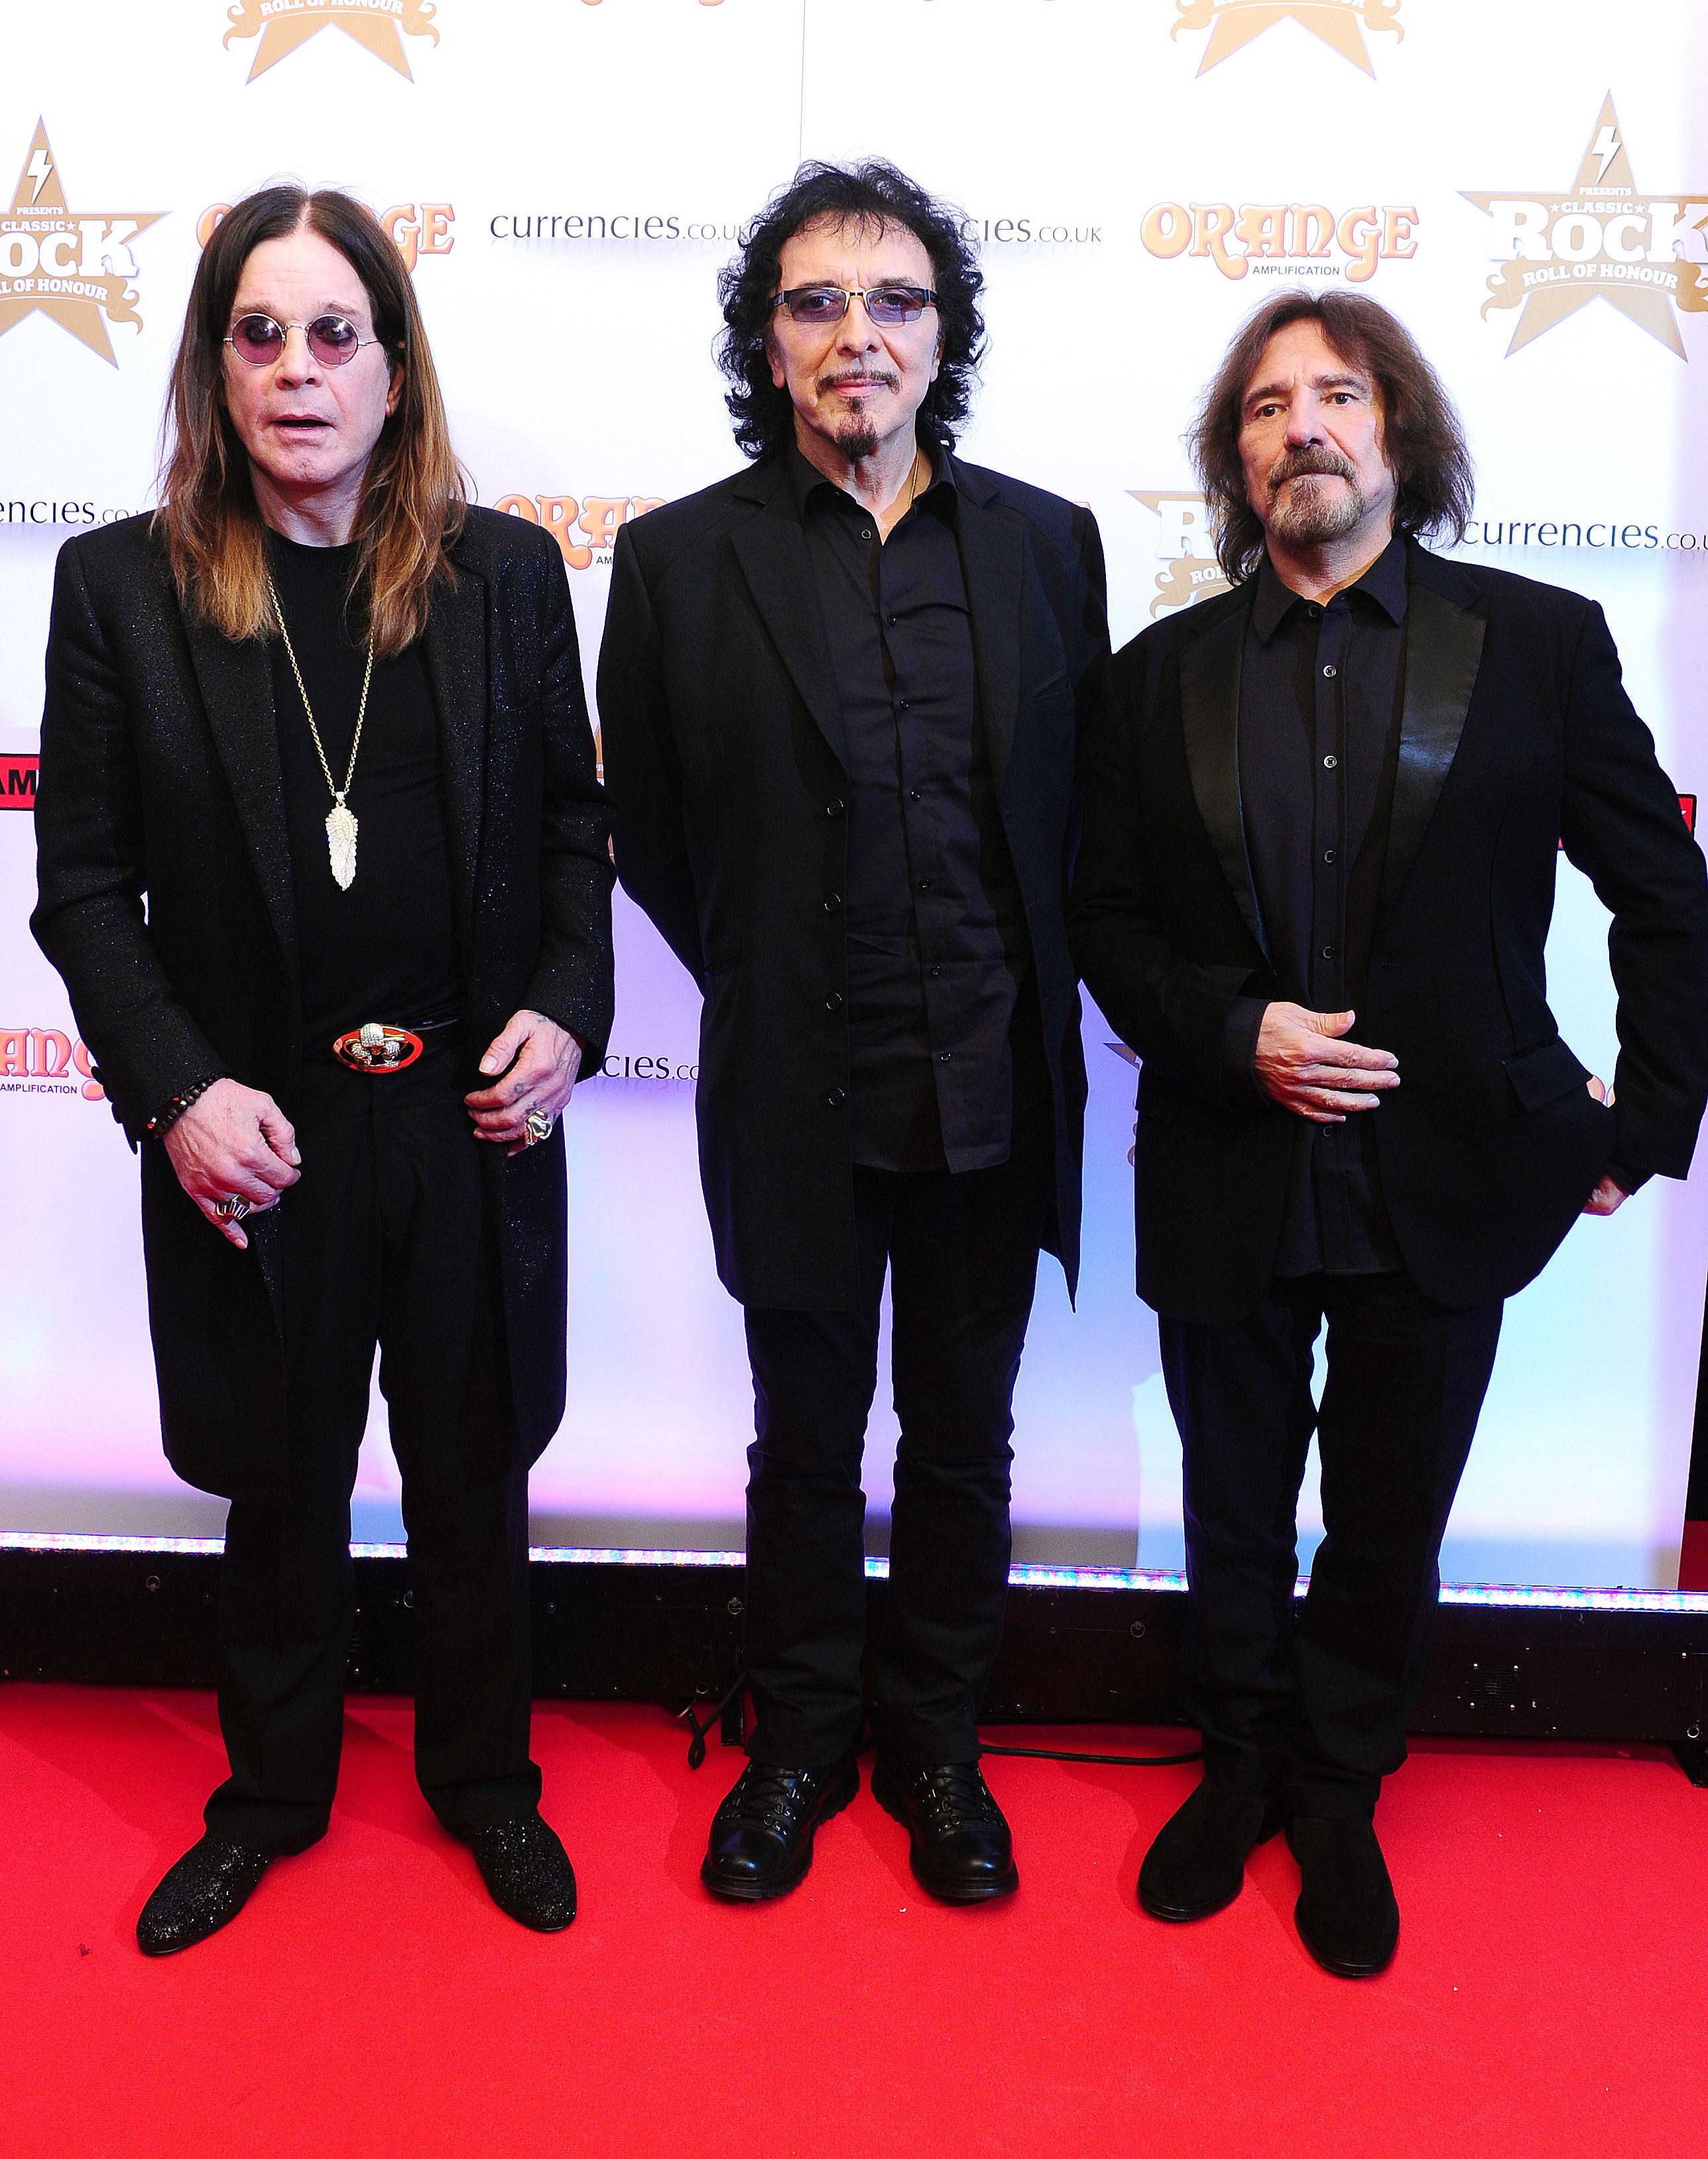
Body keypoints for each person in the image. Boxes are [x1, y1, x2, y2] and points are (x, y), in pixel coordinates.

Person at [1070, 289, 1708, 1977]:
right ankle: (1233, 1768)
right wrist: (1232, 1032)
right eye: (1269, 407)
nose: (1304, 428)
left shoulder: (1541, 642)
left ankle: (1339, 1785)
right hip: (1227, 1162)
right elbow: (1106, 923)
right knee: (1227, 1496)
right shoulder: (1154, 683)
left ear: (1398, 433)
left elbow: (1663, 888)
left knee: (1385, 1512)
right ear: (1237, 459)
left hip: (1455, 1173)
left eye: (1337, 394)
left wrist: (1643, 1118)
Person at [32, 186, 614, 1953]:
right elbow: (77, 886)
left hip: (468, 1113)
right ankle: (272, 1795)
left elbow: (581, 833)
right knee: (280, 1487)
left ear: (392, 366)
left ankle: (486, 1786)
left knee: (474, 1471)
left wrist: (573, 1010)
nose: (298, 371)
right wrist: (177, 1095)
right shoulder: (120, 591)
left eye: (334, 333)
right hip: (257, 1125)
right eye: (259, 334)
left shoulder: (504, 576)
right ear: (216, 369)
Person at [599, 160, 1107, 1904]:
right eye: (817, 301)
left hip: (994, 1086)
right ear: (769, 341)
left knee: (967, 1444)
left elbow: (1073, 820)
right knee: (805, 1445)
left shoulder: (1050, 547)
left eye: (893, 301)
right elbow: (652, 837)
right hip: (799, 1091)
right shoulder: (676, 563)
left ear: (942, 334)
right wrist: (765, 970)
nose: (857, 335)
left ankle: (938, 1746)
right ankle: (804, 1744)